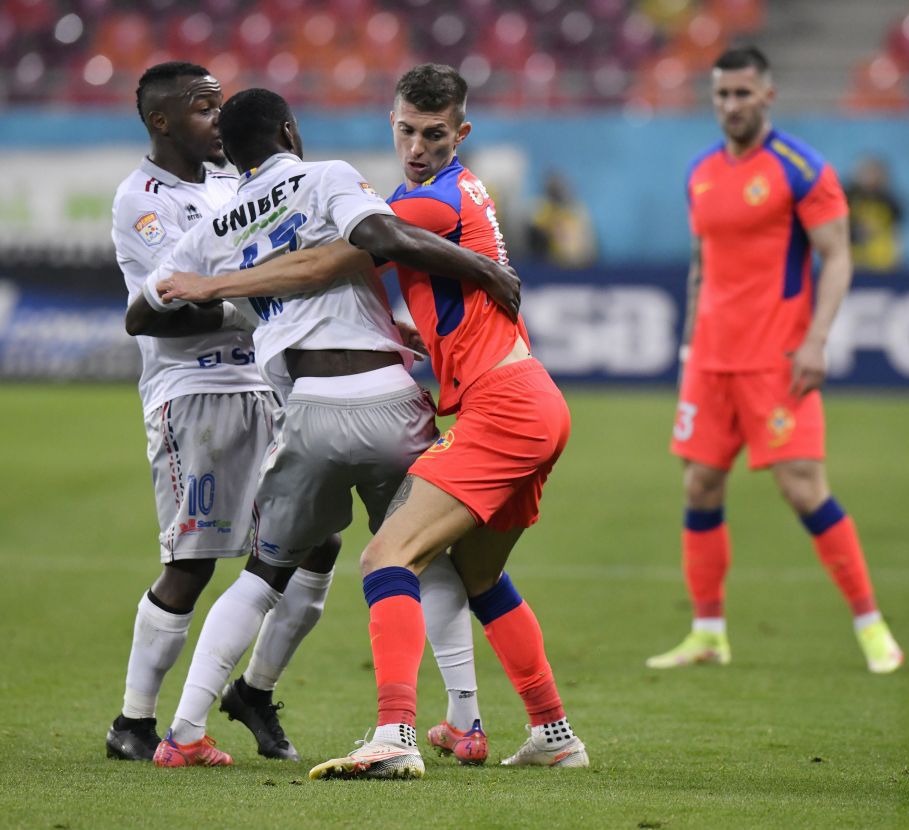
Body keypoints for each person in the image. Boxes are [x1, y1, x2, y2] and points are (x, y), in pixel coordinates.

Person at [155, 66, 588, 779]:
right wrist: (415, 324)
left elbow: (324, 264)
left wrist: (213, 283)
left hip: (500, 407)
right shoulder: (459, 189)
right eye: (407, 131)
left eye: (434, 134)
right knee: (477, 575)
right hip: (525, 397)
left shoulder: (424, 202)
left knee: (386, 558)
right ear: (392, 122)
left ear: (461, 133)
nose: (417, 147)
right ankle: (551, 731)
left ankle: (394, 733)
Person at [107, 61, 338, 763]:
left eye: (220, 106)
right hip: (194, 393)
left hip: (264, 385)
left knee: (318, 541)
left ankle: (255, 691)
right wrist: (260, 301)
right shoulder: (142, 202)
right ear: (162, 120)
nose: (219, 119)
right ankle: (133, 723)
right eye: (204, 108)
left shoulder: (232, 184)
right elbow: (167, 310)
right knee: (194, 563)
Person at [648, 46, 904, 675]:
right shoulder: (701, 172)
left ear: (768, 95)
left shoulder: (802, 169)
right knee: (700, 484)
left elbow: (837, 256)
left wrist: (817, 339)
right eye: (722, 94)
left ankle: (871, 625)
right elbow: (702, 263)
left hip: (776, 358)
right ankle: (708, 632)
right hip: (710, 359)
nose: (731, 105)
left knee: (803, 487)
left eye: (742, 93)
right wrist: (688, 348)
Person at [845, 154, 904, 271]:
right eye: (867, 173)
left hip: (883, 264)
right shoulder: (848, 199)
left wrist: (897, 260)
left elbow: (896, 234)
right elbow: (839, 232)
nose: (870, 178)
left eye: (874, 173)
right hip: (854, 263)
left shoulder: (891, 203)